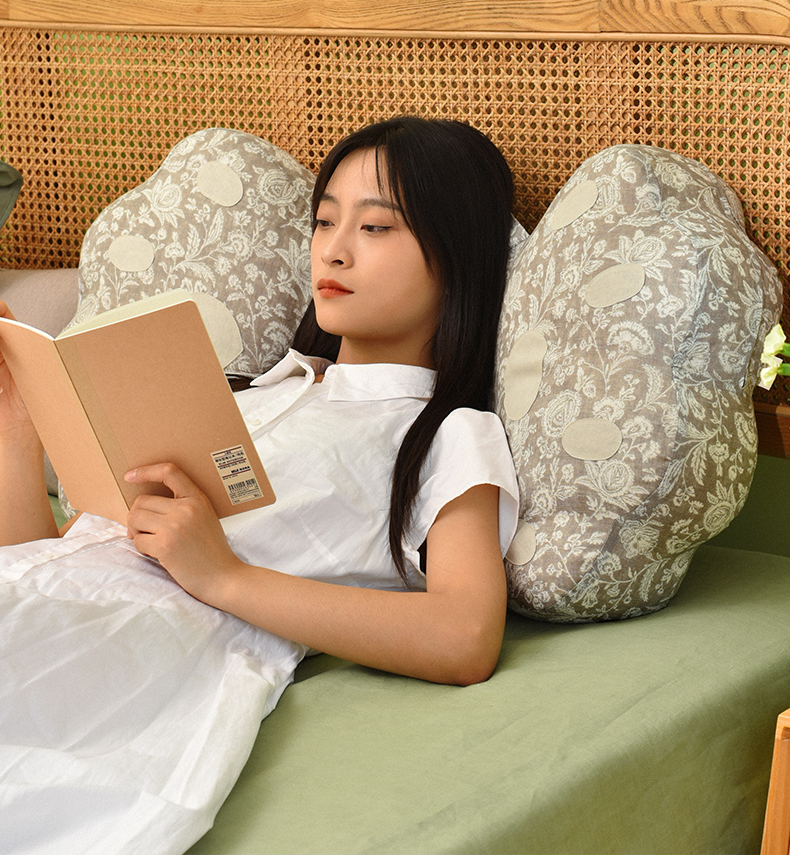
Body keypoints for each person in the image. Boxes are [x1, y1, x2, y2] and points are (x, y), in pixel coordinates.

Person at [0, 117, 519, 854]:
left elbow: (465, 637)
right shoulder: (241, 397)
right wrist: (19, 429)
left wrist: (225, 576)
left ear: (457, 259)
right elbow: (54, 559)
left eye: (375, 227)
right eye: (325, 221)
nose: (333, 249)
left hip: (130, 648)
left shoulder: (445, 431)